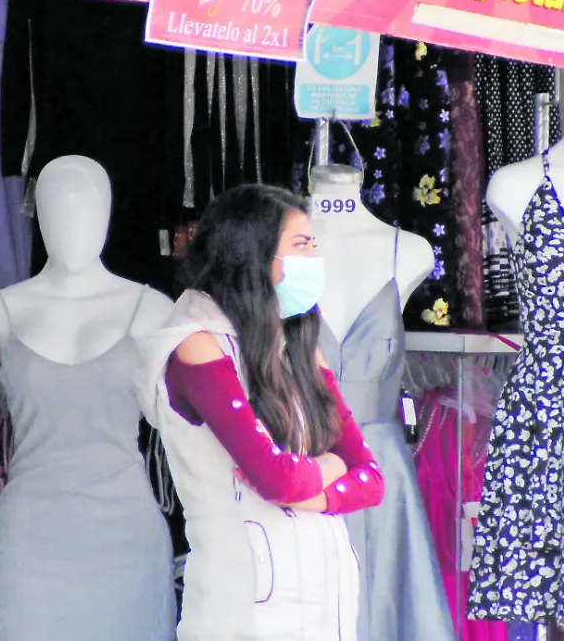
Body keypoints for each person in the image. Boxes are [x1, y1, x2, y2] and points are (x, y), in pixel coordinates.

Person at [135, 184, 385, 641]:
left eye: (314, 245)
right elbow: (277, 480)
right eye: (301, 245)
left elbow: (371, 478)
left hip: (324, 608)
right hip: (243, 608)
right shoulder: (198, 345)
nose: (315, 259)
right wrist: (332, 466)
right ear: (251, 253)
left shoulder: (298, 347)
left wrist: (312, 492)